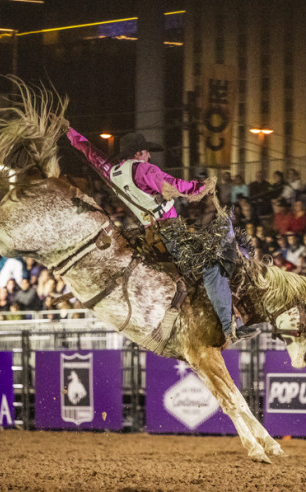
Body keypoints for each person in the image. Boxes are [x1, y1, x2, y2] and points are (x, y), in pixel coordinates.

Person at [64, 127, 264, 346]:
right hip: (170, 233)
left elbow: (91, 153)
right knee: (212, 267)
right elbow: (176, 186)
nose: (149, 156)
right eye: (147, 152)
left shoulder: (112, 172)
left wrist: (71, 133)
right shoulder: (144, 170)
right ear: (139, 153)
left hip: (149, 234)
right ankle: (229, 327)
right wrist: (202, 186)